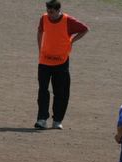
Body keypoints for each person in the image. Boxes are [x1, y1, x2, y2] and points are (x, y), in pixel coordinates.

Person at [34, 0, 88, 130]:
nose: (49, 14)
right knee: (43, 90)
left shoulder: (68, 21)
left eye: (52, 12)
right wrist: (40, 48)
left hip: (61, 62)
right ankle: (42, 119)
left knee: (61, 92)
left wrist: (71, 41)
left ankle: (57, 120)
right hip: (44, 61)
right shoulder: (44, 18)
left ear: (58, 10)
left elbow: (84, 29)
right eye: (48, 11)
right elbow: (40, 31)